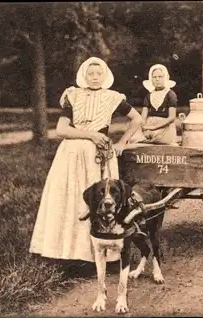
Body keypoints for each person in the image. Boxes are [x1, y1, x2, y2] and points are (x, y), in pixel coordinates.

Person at [29, 57, 143, 262]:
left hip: (98, 156)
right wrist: (91, 135)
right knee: (70, 198)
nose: (95, 77)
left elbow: (137, 118)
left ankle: (100, 253)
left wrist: (122, 143)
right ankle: (67, 253)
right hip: (71, 154)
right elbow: (62, 130)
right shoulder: (74, 96)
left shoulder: (113, 97)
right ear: (84, 75)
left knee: (101, 199)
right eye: (91, 74)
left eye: (99, 73)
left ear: (105, 75)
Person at [129, 64, 178, 145]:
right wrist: (145, 129)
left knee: (160, 139)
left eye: (160, 76)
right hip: (149, 125)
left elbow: (172, 117)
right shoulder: (149, 95)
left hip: (165, 126)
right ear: (151, 79)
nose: (157, 79)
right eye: (154, 77)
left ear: (165, 77)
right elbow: (143, 117)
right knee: (132, 138)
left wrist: (154, 127)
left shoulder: (170, 94)